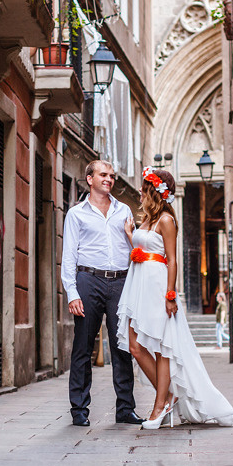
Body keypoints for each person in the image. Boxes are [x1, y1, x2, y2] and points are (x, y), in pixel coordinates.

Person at [116, 168, 233, 429]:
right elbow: (142, 250)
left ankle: (160, 404)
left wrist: (170, 294)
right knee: (135, 347)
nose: (139, 191)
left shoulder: (166, 220)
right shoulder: (146, 220)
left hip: (157, 285)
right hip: (138, 283)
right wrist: (130, 235)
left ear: (153, 191)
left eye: (143, 188)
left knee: (163, 347)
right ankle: (170, 394)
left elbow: (172, 259)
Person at [61, 160, 144, 427]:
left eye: (111, 176)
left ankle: (125, 408)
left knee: (123, 347)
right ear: (90, 179)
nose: (109, 179)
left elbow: (134, 247)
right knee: (83, 346)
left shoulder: (124, 211)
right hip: (88, 280)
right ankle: (79, 409)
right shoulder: (76, 214)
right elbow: (69, 256)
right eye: (103, 175)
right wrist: (72, 293)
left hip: (120, 282)